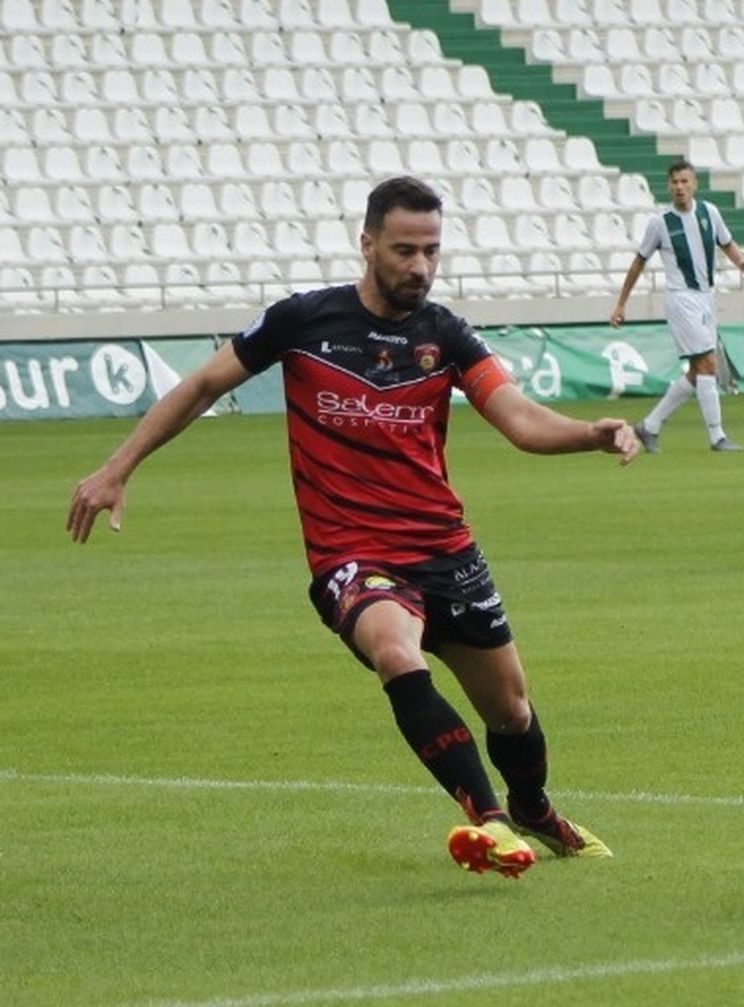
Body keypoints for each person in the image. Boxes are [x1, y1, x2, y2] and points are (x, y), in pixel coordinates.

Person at [67, 177, 639, 878]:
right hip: (353, 554)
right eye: (405, 250)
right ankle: (489, 820)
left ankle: (531, 809)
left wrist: (588, 434)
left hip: (445, 550)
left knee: (512, 712)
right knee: (397, 652)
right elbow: (203, 385)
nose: (421, 266)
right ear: (367, 244)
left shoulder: (447, 335)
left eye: (432, 251)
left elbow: (519, 419)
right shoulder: (302, 321)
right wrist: (118, 466)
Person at [610, 160, 744, 453]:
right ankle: (717, 436)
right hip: (681, 298)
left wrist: (741, 261)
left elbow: (726, 242)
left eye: (684, 181)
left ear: (694, 184)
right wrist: (621, 304)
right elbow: (639, 262)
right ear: (668, 186)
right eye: (675, 182)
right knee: (708, 364)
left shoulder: (709, 212)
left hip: (706, 297)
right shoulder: (660, 222)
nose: (679, 187)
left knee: (697, 372)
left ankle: (649, 426)